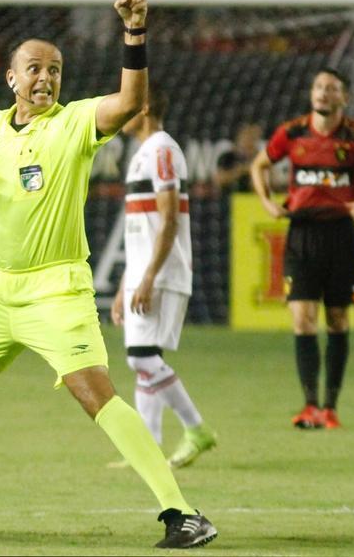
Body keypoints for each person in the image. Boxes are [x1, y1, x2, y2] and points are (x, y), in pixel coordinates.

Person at [0, 0, 217, 548]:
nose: (44, 78)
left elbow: (131, 100)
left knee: (94, 392)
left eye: (54, 70)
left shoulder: (73, 123)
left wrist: (134, 33)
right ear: (11, 77)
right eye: (35, 69)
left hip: (56, 288)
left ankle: (182, 513)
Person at [249, 68, 354, 430]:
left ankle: (330, 407)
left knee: (337, 319)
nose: (323, 93)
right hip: (301, 233)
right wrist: (268, 203)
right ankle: (309, 405)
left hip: (341, 235)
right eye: (318, 86)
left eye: (331, 88)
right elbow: (260, 164)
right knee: (302, 318)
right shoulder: (293, 132)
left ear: (343, 98)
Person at [111, 87, 217, 469]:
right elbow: (141, 230)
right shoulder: (142, 153)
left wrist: (149, 276)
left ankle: (196, 429)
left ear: (143, 108)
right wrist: (127, 283)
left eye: (128, 106)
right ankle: (149, 447)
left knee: (142, 359)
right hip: (144, 273)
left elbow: (170, 220)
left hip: (163, 272)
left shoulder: (162, 150)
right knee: (144, 359)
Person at [213, 122, 263, 193]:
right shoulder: (228, 156)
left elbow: (274, 181)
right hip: (230, 198)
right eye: (247, 137)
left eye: (253, 138)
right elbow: (218, 180)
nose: (249, 142)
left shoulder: (260, 157)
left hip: (252, 199)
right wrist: (240, 171)